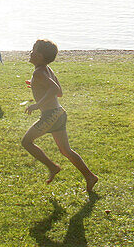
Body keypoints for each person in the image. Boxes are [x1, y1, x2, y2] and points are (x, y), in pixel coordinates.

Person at [21, 39, 98, 193]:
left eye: (34, 51)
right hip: (59, 113)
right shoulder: (46, 70)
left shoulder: (39, 72)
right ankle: (90, 176)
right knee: (66, 150)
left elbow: (55, 89)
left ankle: (52, 167)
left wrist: (37, 104)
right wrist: (36, 84)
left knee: (27, 142)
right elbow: (59, 92)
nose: (30, 52)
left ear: (41, 56)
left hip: (51, 115)